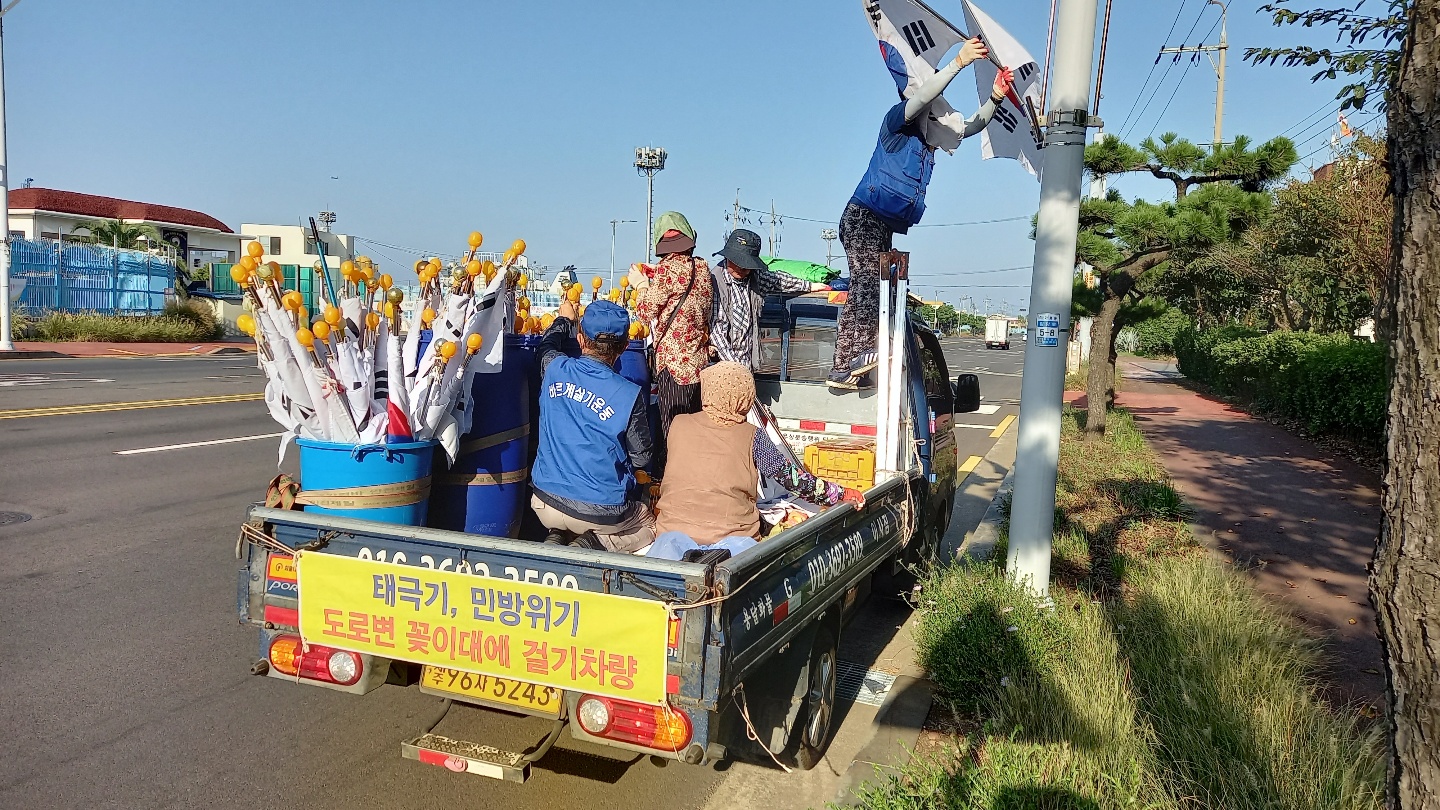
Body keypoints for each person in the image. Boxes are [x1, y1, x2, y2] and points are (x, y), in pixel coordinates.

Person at [828, 37, 1015, 390]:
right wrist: (958, 62)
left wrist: (995, 97)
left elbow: (969, 126)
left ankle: (857, 364)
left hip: (881, 224)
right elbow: (921, 99)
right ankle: (845, 363)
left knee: (881, 287)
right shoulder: (897, 125)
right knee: (868, 283)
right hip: (862, 216)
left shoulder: (928, 144)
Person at [649, 362, 864, 559]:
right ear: (745, 396)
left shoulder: (678, 424)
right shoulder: (753, 436)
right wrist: (840, 493)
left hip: (671, 535)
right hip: (730, 541)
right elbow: (793, 480)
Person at [530, 298, 655, 552]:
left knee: (567, 514)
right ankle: (594, 544)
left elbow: (546, 346)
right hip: (603, 513)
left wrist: (564, 320)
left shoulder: (554, 368)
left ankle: (557, 536)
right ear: (624, 347)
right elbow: (642, 458)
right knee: (651, 525)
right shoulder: (630, 394)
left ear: (580, 340)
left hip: (544, 502)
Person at [634, 210, 713, 475]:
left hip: (674, 367)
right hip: (698, 366)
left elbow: (645, 311)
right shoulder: (702, 268)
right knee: (695, 432)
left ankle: (673, 488)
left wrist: (641, 285)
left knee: (673, 433)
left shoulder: (667, 271)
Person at [709, 228, 829, 371]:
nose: (740, 268)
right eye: (736, 262)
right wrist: (735, 369)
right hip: (724, 366)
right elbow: (717, 333)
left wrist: (810, 286)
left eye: (745, 265)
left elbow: (779, 280)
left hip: (746, 363)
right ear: (727, 257)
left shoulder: (755, 277)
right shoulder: (715, 282)